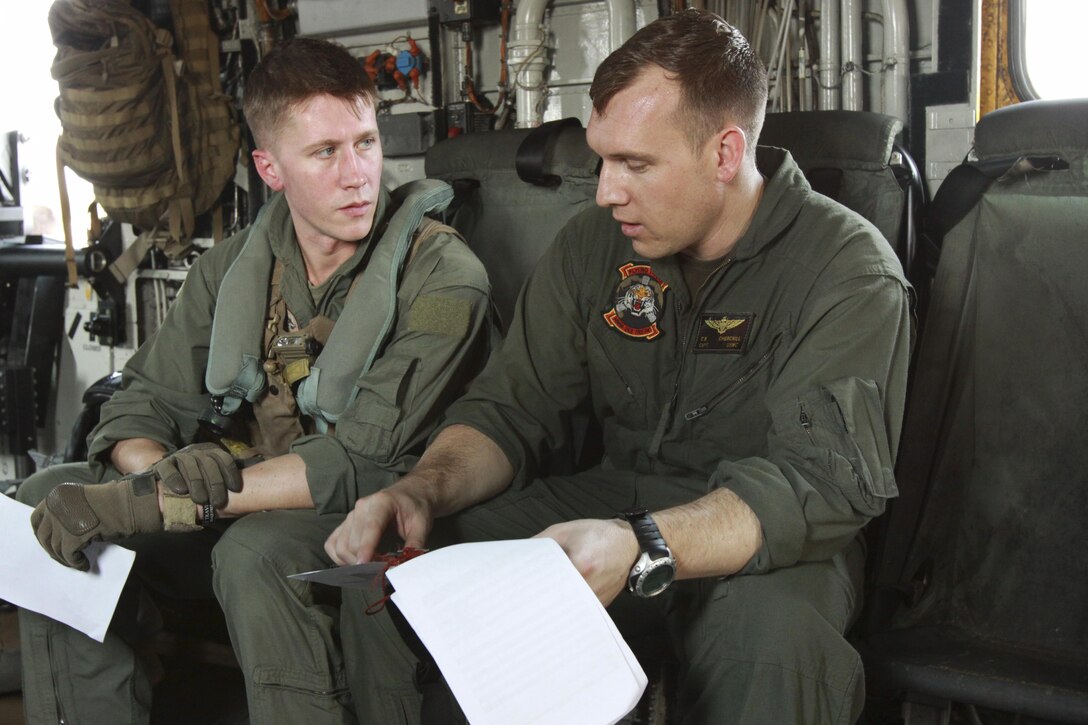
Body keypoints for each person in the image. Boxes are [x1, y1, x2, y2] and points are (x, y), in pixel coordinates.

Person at [326, 9, 912, 724]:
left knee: (777, 640)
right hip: (613, 504)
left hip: (768, 536)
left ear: (725, 154)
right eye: (603, 157)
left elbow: (817, 484)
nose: (605, 190)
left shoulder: (845, 269)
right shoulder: (594, 247)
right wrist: (422, 489)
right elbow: (512, 407)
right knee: (411, 578)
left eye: (635, 163)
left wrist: (645, 543)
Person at [18, 38, 493, 724]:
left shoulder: (444, 276)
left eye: (365, 142)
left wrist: (155, 503)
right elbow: (144, 402)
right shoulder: (236, 267)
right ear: (270, 168)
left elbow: (365, 458)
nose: (358, 174)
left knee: (256, 551)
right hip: (236, 501)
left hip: (373, 511)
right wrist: (167, 473)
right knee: (44, 495)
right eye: (325, 152)